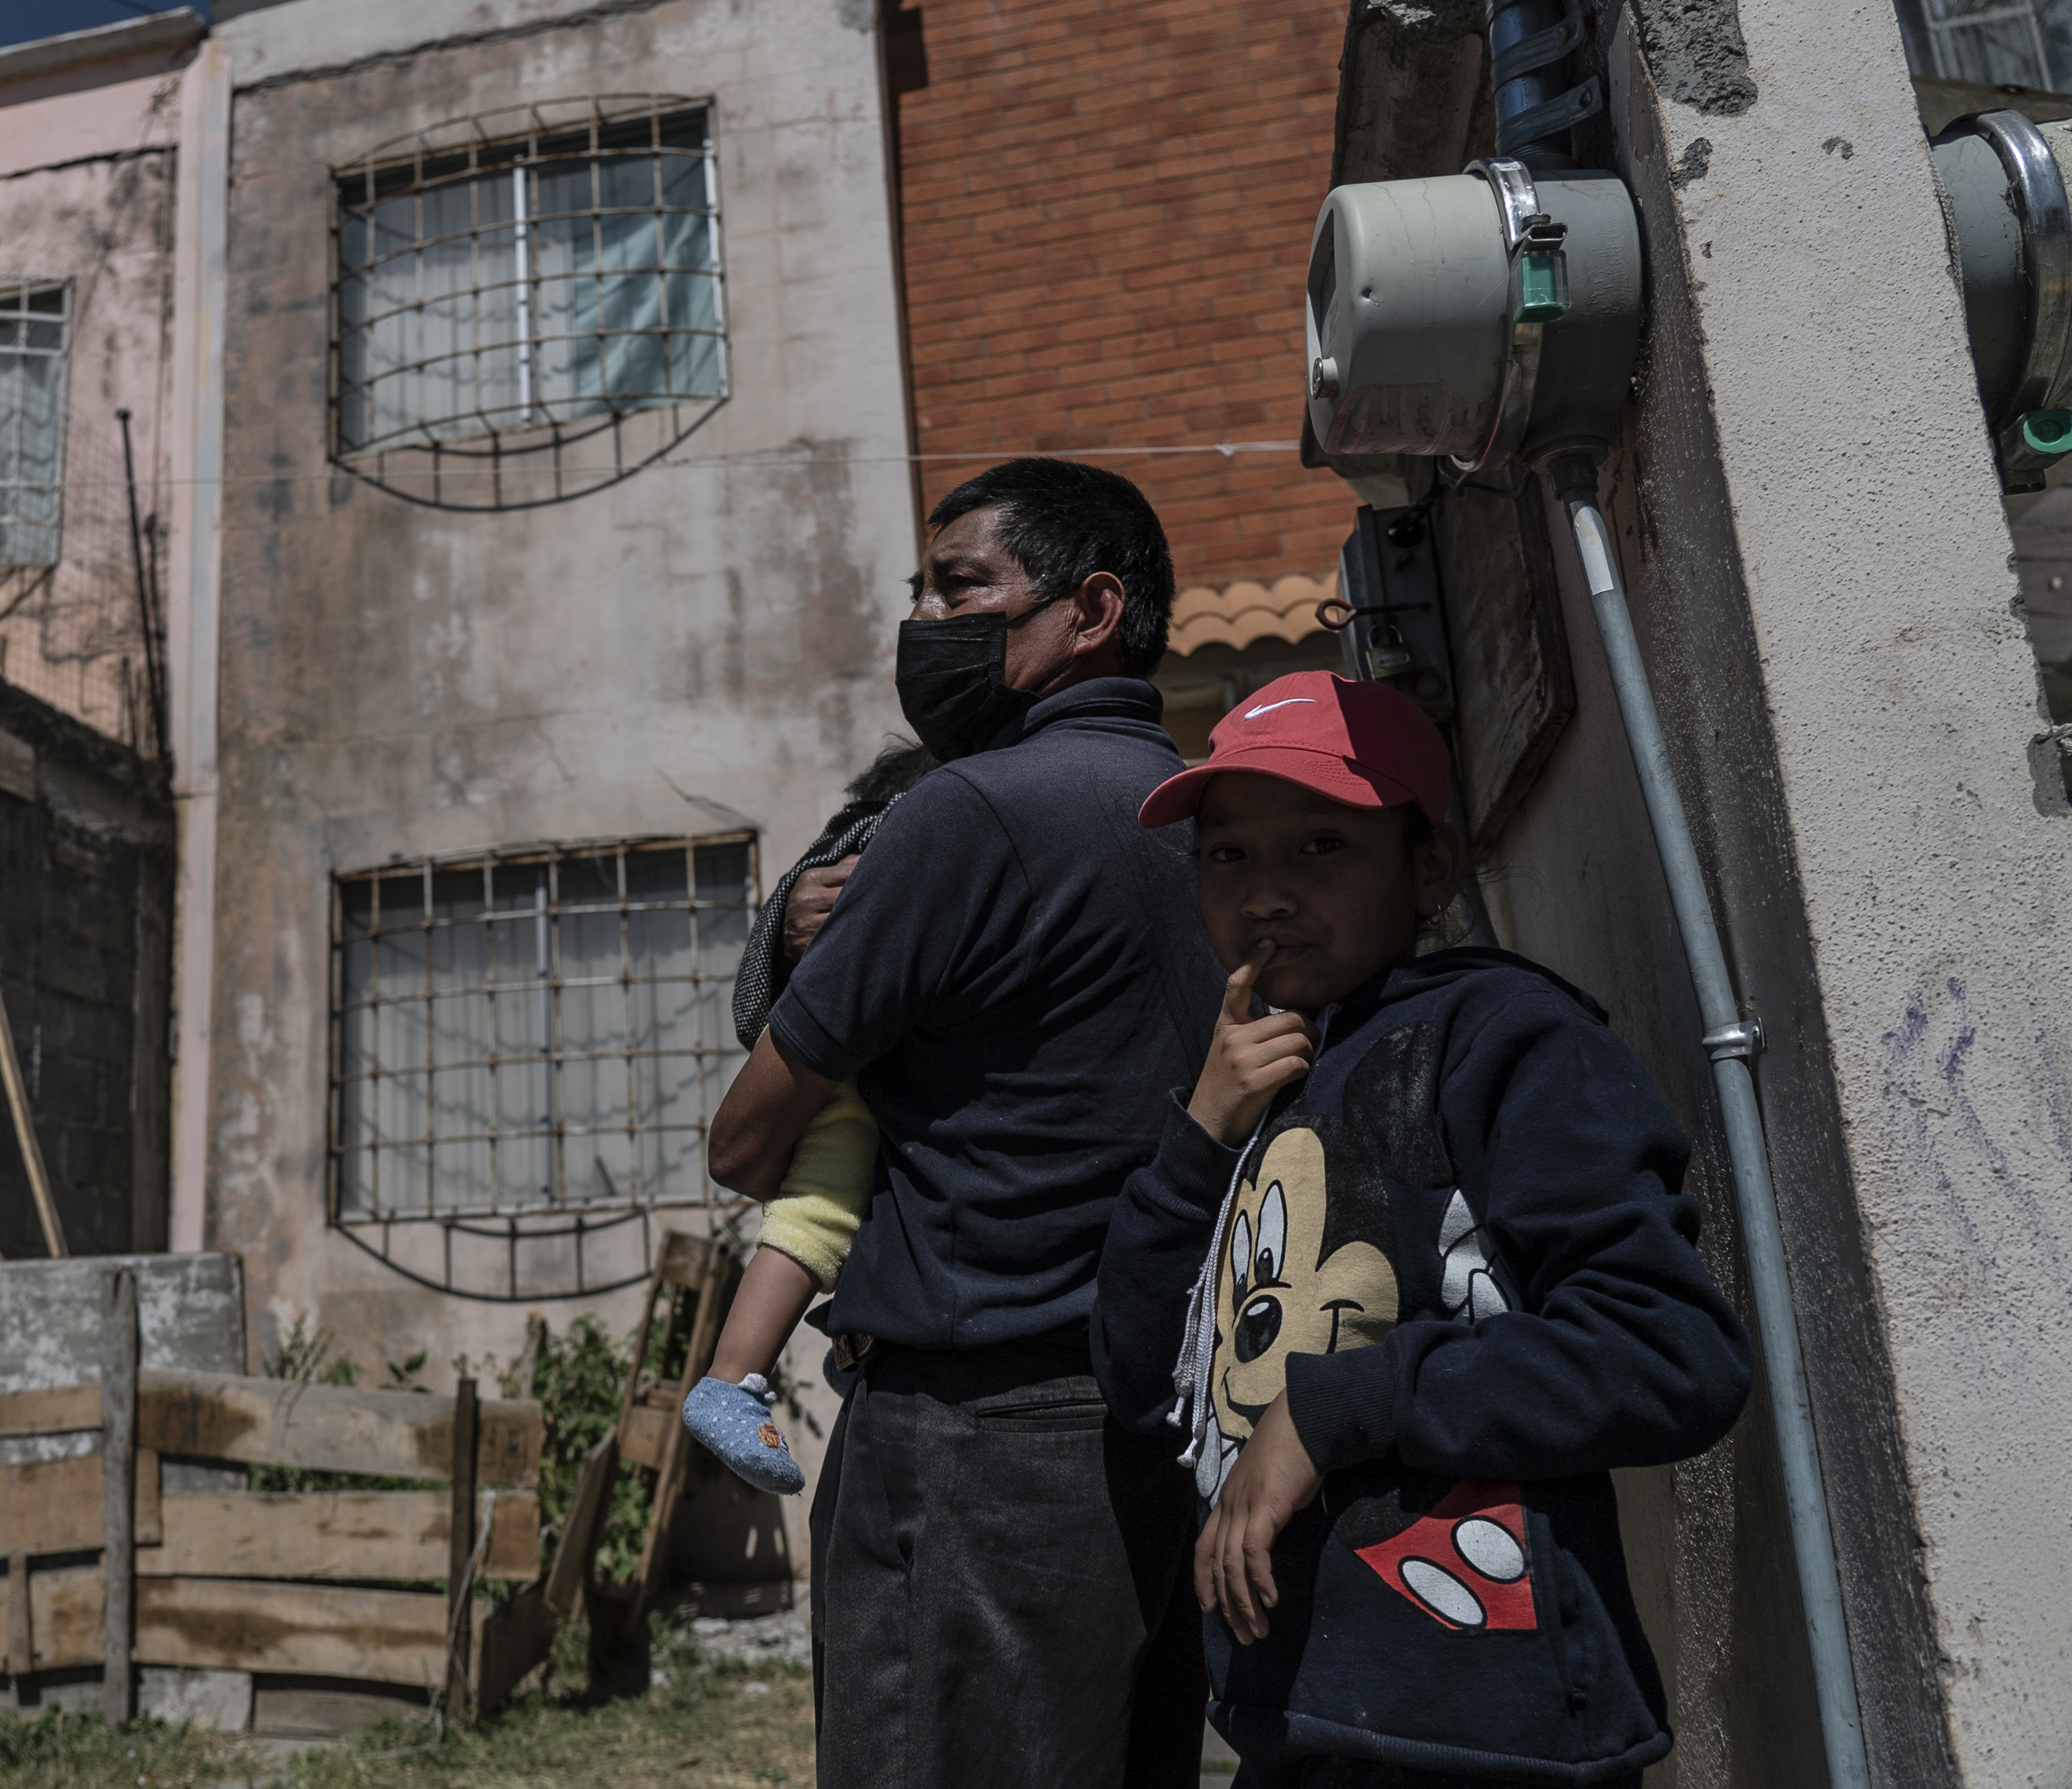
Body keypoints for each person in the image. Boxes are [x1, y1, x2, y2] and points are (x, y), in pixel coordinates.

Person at [1093, 670, 1753, 1788]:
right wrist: (1200, 1135)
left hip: (1487, 1730)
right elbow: (1134, 1371)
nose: (1265, 896)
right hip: (1292, 1713)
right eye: (1229, 855)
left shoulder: (1507, 1041)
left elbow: (1667, 1351)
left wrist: (1332, 1402)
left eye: (1321, 848)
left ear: (1432, 866)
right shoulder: (1260, 1078)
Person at [707, 457, 1223, 1786]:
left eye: (962, 585)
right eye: (921, 590)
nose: (925, 622)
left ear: (1092, 607)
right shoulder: (1204, 825)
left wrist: (809, 944)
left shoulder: (967, 816)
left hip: (971, 1443)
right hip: (1152, 1427)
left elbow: (745, 1143)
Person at [682, 740, 931, 1494]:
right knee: (815, 1214)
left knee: (814, 1214)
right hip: (850, 1070)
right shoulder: (906, 839)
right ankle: (730, 1377)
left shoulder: (841, 848)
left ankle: (736, 1375)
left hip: (840, 1061)